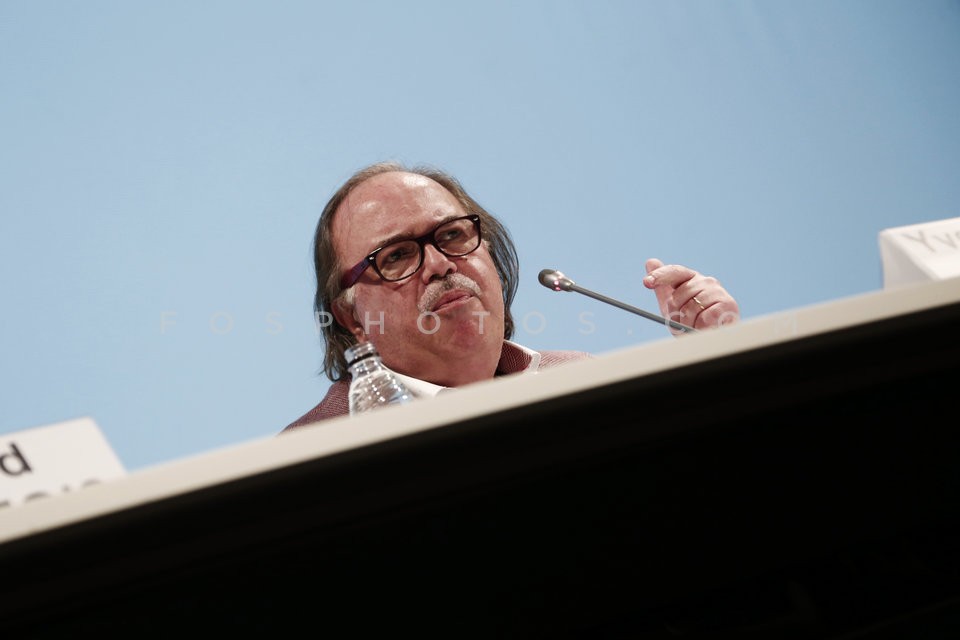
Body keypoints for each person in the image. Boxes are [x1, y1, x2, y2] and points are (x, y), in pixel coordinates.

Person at [282, 161, 740, 431]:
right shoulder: (317, 449)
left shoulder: (579, 379)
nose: (440, 264)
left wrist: (720, 363)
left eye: (453, 234)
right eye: (397, 255)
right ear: (352, 318)